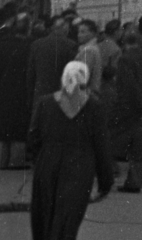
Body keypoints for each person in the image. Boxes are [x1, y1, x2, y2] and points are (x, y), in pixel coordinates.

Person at [27, 60, 113, 240]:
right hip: (79, 168)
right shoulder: (95, 107)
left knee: (44, 218)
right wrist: (106, 181)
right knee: (67, 222)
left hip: (48, 164)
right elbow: (101, 146)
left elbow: (33, 138)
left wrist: (39, 160)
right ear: (86, 81)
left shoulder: (46, 102)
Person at [109, 34, 142, 194]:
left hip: (128, 108)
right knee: (138, 147)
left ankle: (109, 176)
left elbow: (127, 85)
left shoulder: (125, 60)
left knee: (112, 140)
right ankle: (134, 181)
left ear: (125, 44)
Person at [0, 12, 32, 169]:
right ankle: (16, 161)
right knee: (18, 126)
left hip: (3, 87)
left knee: (3, 125)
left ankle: (1, 160)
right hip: (22, 88)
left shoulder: (1, 44)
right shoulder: (29, 46)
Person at [28, 16, 78, 110]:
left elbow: (30, 75)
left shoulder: (36, 44)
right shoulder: (71, 45)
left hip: (40, 94)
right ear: (65, 28)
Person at [75, 20, 103, 99]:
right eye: (79, 32)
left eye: (83, 32)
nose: (79, 35)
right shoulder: (91, 48)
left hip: (86, 95)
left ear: (92, 33)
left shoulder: (89, 50)